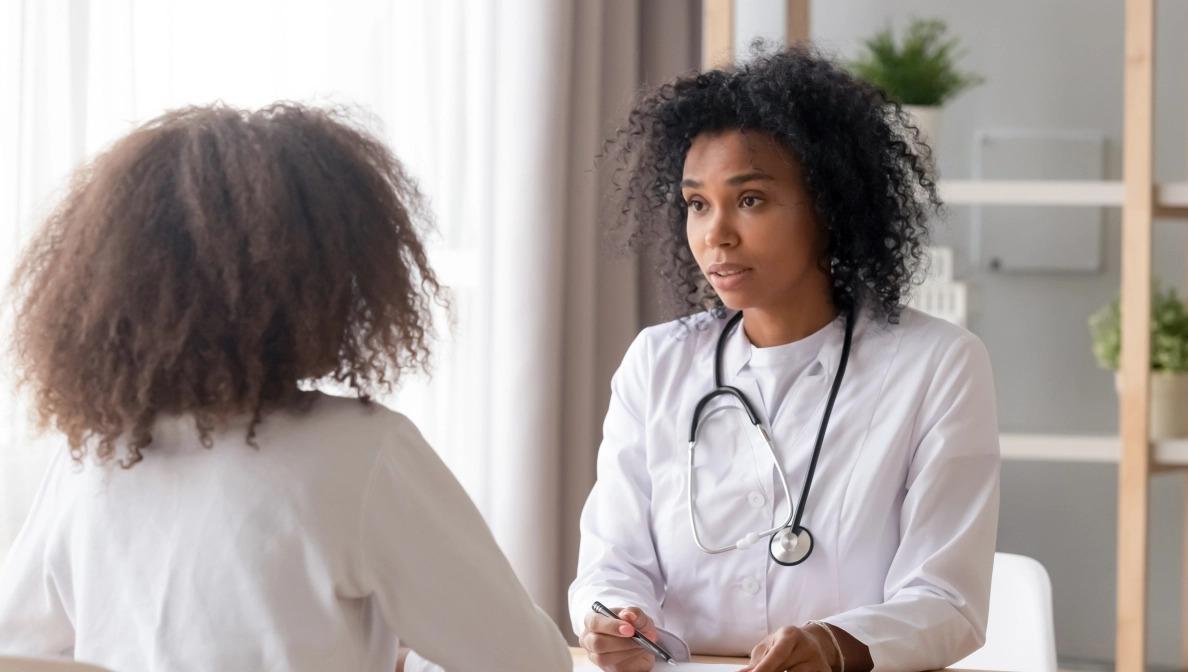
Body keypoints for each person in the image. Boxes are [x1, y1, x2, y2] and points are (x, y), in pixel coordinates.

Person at [0, 103, 571, 672]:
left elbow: (18, 650)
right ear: (331, 275)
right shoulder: (363, 451)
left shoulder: (96, 455)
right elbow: (530, 663)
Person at [570, 47, 1000, 672]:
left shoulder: (937, 366)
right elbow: (611, 565)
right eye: (697, 203)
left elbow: (948, 601)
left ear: (829, 207)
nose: (715, 234)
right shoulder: (656, 363)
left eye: (749, 200)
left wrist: (833, 645)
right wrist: (615, 619)